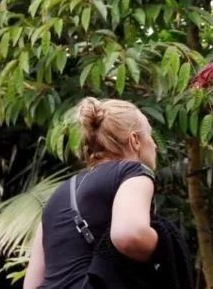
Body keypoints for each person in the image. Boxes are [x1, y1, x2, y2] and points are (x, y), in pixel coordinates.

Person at [23, 97, 159, 289]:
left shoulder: (57, 195)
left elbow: (31, 284)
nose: (155, 145)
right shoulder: (132, 172)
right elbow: (129, 235)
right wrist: (164, 246)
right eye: (150, 136)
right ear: (135, 140)